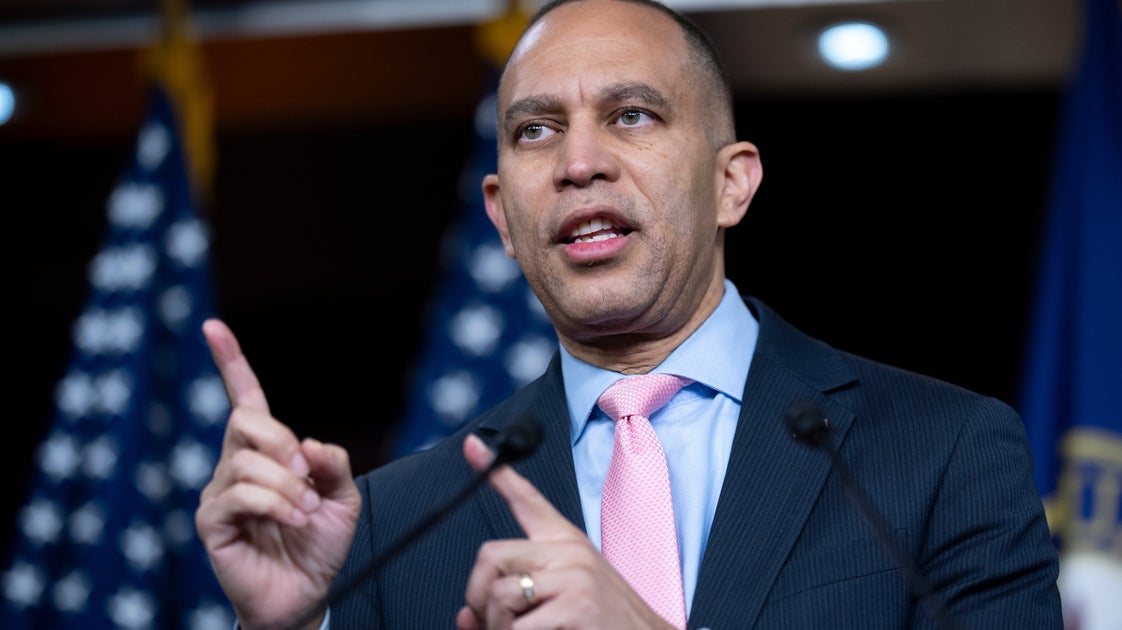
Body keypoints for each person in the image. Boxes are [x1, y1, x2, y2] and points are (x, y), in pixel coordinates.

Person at [194, 0, 1063, 628]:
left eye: (632, 115)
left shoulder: (943, 453)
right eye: (536, 130)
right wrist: (291, 625)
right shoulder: (392, 524)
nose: (579, 163)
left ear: (732, 183)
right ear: (502, 217)